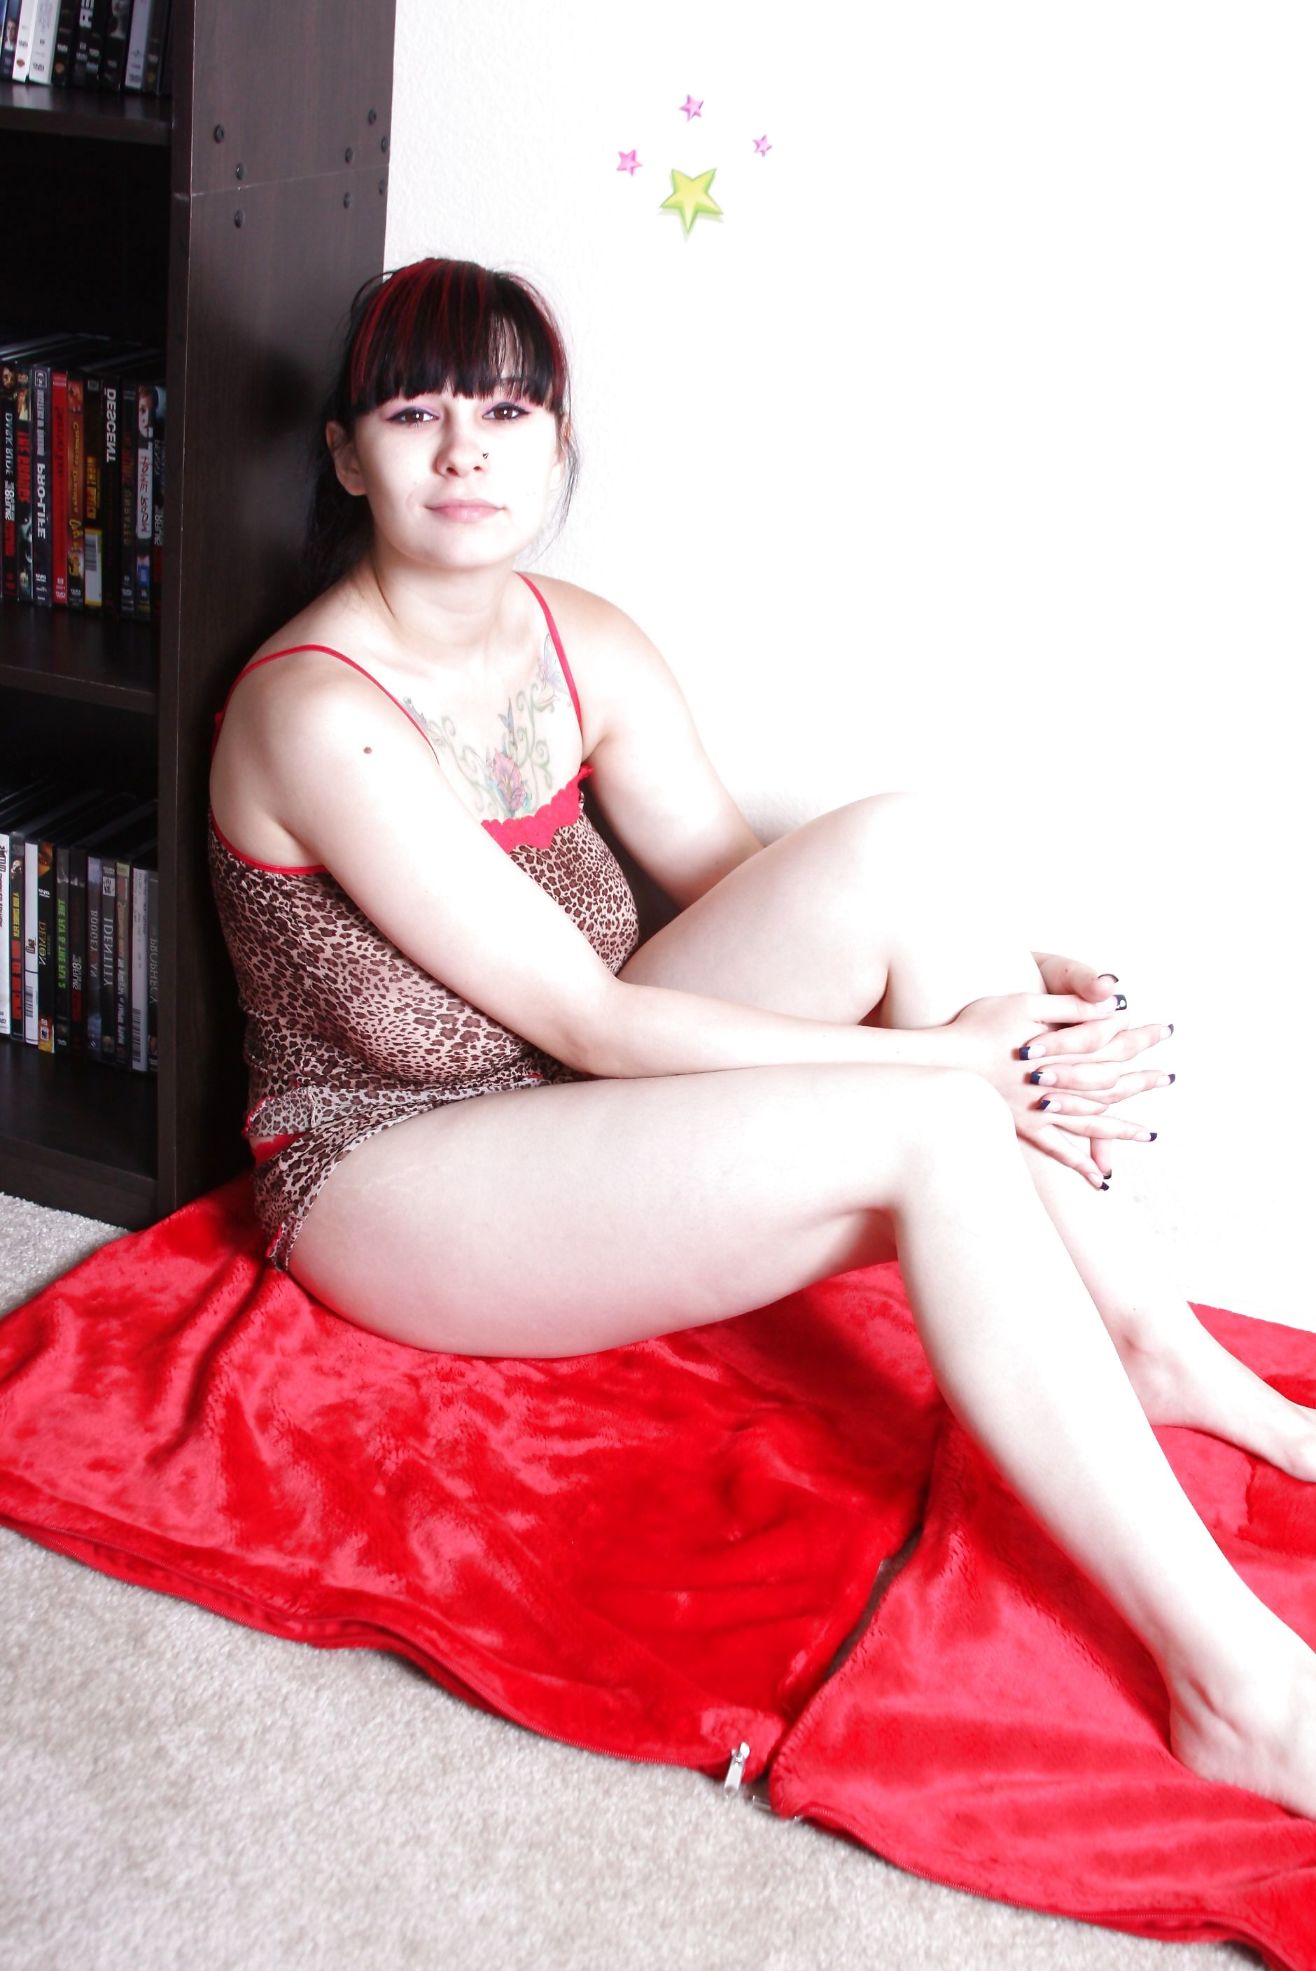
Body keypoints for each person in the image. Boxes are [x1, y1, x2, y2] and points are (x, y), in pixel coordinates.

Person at [209, 254, 1316, 1818]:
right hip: (395, 1172)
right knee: (938, 1122)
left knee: (901, 846)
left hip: (567, 1094)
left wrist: (1013, 975)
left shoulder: (579, 637)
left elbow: (747, 886)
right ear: (345, 455)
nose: (466, 452)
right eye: (415, 413)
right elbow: (594, 1019)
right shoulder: (317, 712)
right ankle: (1242, 1694)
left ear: (558, 442)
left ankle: (1154, 1346)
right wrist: (971, 1061)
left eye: (508, 413)